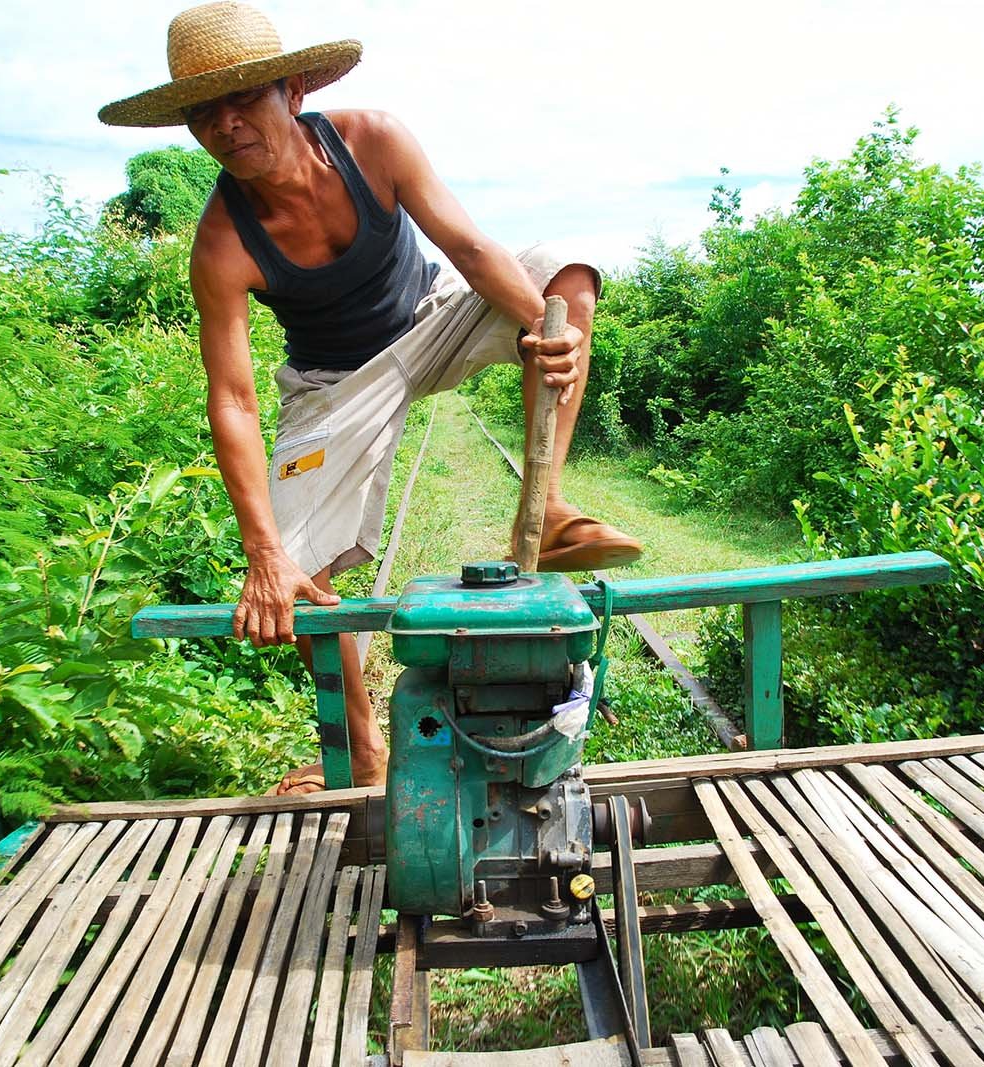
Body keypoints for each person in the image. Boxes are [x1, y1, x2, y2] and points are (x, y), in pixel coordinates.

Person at [100, 2, 641, 794]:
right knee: (298, 572)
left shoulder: (374, 141)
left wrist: (541, 327)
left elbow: (469, 246)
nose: (226, 125)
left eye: (243, 99)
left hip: (430, 316)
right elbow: (235, 399)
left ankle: (552, 506)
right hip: (333, 387)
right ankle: (362, 748)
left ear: (291, 91)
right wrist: (264, 554)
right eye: (204, 113)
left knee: (564, 280)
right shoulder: (221, 240)